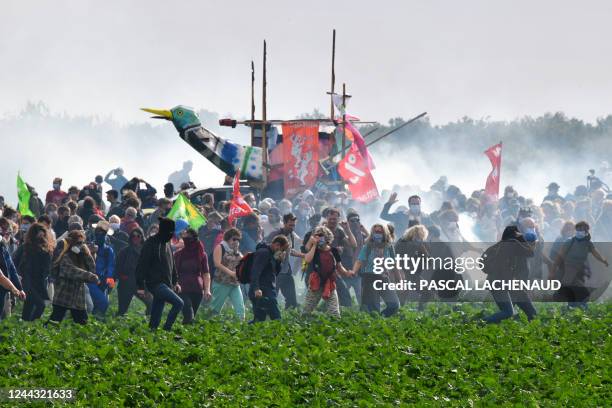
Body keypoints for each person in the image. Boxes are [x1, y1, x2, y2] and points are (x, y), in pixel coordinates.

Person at [136, 217, 184, 330]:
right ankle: (167, 329)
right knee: (179, 303)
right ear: (164, 231)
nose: (171, 234)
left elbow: (172, 265)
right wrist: (140, 286)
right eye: (170, 232)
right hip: (155, 283)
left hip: (165, 283)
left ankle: (153, 330)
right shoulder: (150, 243)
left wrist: (175, 282)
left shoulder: (167, 243)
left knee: (157, 309)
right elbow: (142, 265)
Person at [482, 226, 537, 323]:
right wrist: (521, 238)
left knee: (529, 313)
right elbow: (531, 252)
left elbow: (482, 264)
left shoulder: (496, 246)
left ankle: (484, 322)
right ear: (515, 234)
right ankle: (481, 323)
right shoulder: (513, 243)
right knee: (508, 312)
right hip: (503, 284)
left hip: (499, 283)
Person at [551, 221, 609, 308]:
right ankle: (577, 306)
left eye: (583, 229)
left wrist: (603, 260)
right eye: (579, 229)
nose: (580, 231)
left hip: (581, 269)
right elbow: (560, 256)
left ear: (586, 231)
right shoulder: (569, 241)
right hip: (569, 268)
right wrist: (553, 269)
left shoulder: (588, 243)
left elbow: (595, 253)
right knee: (581, 291)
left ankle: (572, 307)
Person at [47, 230, 99, 325]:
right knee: (54, 321)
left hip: (78, 297)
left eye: (82, 243)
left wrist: (87, 254)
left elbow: (92, 268)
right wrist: (90, 276)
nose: (80, 245)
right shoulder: (66, 256)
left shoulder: (81, 256)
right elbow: (73, 271)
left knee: (83, 324)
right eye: (78, 243)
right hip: (64, 296)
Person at [302, 226, 354, 317]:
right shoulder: (315, 250)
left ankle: (335, 325)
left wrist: (347, 273)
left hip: (329, 283)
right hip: (316, 282)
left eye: (321, 236)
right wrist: (314, 245)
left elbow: (339, 266)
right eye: (317, 236)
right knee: (307, 309)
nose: (319, 238)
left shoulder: (333, 251)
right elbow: (307, 259)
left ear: (327, 238)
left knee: (334, 311)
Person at [351, 224, 400, 317]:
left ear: (384, 233)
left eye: (380, 232)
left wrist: (399, 278)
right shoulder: (368, 247)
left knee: (394, 305)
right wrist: (354, 271)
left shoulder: (389, 247)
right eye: (375, 232)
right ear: (372, 233)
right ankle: (375, 325)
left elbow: (394, 263)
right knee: (373, 309)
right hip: (370, 278)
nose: (377, 234)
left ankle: (381, 319)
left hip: (383, 277)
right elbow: (359, 260)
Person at [13, 223, 53, 321]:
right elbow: (14, 261)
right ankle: (32, 325)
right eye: (39, 233)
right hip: (27, 281)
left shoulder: (46, 248)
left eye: (43, 233)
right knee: (41, 305)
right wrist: (18, 276)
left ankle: (26, 326)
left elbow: (48, 265)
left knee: (29, 305)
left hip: (39, 282)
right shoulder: (25, 247)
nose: (41, 235)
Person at [265, 213, 303, 309]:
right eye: (290, 225)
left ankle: (291, 307)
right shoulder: (275, 234)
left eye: (294, 225)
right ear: (284, 223)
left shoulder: (291, 235)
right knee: (272, 293)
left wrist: (303, 255)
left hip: (285, 269)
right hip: (274, 269)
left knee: (291, 297)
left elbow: (291, 251)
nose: (292, 227)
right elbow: (267, 250)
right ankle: (266, 312)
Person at [249, 235, 290, 322]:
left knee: (259, 320)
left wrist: (279, 261)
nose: (282, 252)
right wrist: (256, 288)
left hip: (267, 289)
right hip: (261, 290)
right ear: (277, 245)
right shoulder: (263, 253)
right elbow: (255, 272)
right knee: (276, 318)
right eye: (282, 249)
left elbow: (275, 273)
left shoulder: (272, 254)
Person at [174, 228, 211, 324]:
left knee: (190, 316)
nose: (187, 240)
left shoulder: (202, 254)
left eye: (189, 237)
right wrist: (174, 284)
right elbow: (173, 272)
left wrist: (207, 290)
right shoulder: (178, 254)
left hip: (197, 289)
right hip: (182, 288)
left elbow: (206, 273)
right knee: (189, 312)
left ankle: (185, 335)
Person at [115, 227, 152, 316]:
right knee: (122, 310)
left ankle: (147, 323)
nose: (135, 238)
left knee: (151, 304)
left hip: (141, 285)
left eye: (138, 236)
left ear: (142, 237)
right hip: (126, 284)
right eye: (133, 236)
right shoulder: (124, 251)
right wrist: (122, 277)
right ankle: (116, 326)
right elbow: (117, 267)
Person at [210, 228, 246, 320]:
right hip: (221, 282)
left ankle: (241, 326)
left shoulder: (236, 250)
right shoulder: (220, 247)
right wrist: (231, 273)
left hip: (234, 283)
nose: (236, 241)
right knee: (215, 310)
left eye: (238, 239)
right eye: (234, 239)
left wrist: (238, 252)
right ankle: (209, 325)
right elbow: (217, 264)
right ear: (228, 238)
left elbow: (241, 261)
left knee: (240, 309)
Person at [88, 221, 115, 318]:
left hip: (102, 280)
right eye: (97, 232)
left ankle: (95, 322)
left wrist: (108, 281)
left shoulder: (108, 250)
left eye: (102, 233)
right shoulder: (89, 247)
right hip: (90, 279)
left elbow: (111, 266)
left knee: (101, 305)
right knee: (103, 303)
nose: (99, 235)